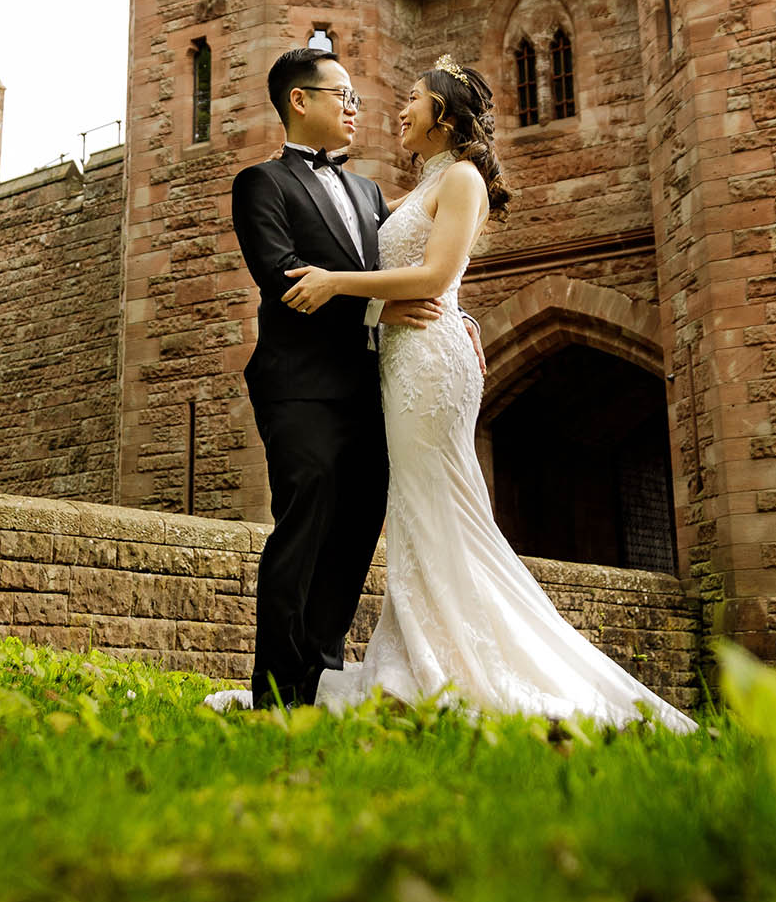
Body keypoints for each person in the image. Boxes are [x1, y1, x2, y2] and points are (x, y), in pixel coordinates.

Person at [258, 55, 694, 732]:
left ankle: (464, 663)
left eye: (413, 99)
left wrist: (342, 286)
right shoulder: (418, 185)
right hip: (406, 359)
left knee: (437, 503)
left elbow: (434, 273)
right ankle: (426, 653)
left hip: (428, 368)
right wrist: (414, 306)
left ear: (445, 117)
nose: (398, 109)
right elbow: (392, 258)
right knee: (425, 508)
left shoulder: (462, 179)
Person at [227, 46, 450, 708]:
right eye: (342, 95)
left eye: (355, 98)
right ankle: (275, 687)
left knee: (357, 525)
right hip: (298, 385)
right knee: (307, 511)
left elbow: (395, 269)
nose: (355, 108)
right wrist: (381, 301)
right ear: (301, 99)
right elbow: (286, 277)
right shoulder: (260, 184)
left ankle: (319, 676)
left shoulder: (368, 191)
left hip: (372, 387)